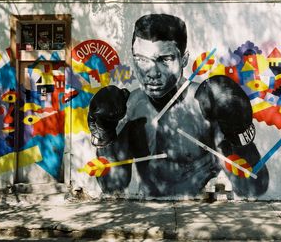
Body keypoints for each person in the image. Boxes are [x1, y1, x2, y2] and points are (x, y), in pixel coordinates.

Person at [87, 13, 269, 198]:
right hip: (148, 212)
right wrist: (103, 135)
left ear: (184, 59)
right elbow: (112, 185)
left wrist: (240, 136)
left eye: (164, 59)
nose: (151, 73)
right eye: (141, 59)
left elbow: (253, 186)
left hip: (200, 214)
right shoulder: (130, 107)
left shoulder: (205, 105)